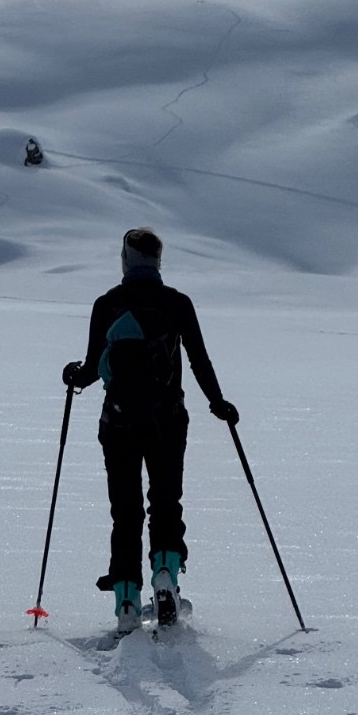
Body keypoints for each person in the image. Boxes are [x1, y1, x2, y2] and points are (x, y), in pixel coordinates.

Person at [61, 228, 238, 633]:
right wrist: (218, 402)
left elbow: (92, 369)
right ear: (158, 261)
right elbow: (198, 360)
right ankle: (165, 577)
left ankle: (126, 599)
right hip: (167, 421)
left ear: (125, 260)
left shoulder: (108, 303)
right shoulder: (177, 303)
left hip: (118, 421)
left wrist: (73, 374)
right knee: (165, 501)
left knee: (125, 510)